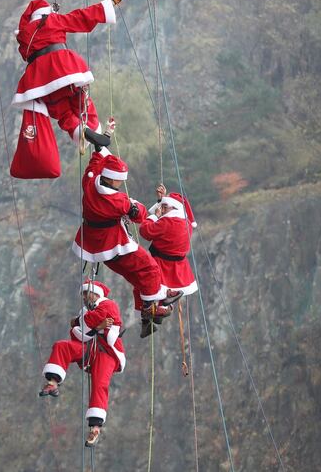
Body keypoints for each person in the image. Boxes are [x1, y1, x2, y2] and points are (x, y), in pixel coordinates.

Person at [10, 0, 126, 176]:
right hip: (64, 68)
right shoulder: (52, 21)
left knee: (62, 113)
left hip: (40, 80)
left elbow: (26, 54)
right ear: (46, 12)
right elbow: (81, 17)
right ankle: (90, 130)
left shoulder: (23, 36)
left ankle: (83, 132)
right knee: (81, 99)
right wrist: (111, 3)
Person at [72, 142, 184, 323]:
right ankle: (149, 307)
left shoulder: (90, 182)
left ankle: (159, 295)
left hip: (95, 245)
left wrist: (100, 147)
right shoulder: (117, 201)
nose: (121, 182)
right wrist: (142, 208)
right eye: (120, 179)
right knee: (149, 268)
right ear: (113, 178)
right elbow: (139, 214)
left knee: (134, 274)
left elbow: (94, 165)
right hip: (113, 243)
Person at [39, 280, 125, 447]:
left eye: (86, 293)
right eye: (83, 294)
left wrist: (81, 322)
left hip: (106, 352)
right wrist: (89, 325)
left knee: (100, 383)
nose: (84, 297)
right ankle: (52, 382)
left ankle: (95, 427)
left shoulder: (109, 304)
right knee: (62, 346)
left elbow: (92, 320)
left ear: (96, 293)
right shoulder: (85, 311)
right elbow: (77, 332)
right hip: (89, 348)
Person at [136, 186, 198, 337]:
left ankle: (153, 312)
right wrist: (161, 200)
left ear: (174, 208)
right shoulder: (186, 223)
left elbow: (146, 231)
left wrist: (153, 217)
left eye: (164, 207)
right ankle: (161, 308)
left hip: (160, 262)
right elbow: (165, 219)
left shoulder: (168, 223)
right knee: (160, 289)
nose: (162, 210)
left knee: (145, 286)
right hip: (177, 265)